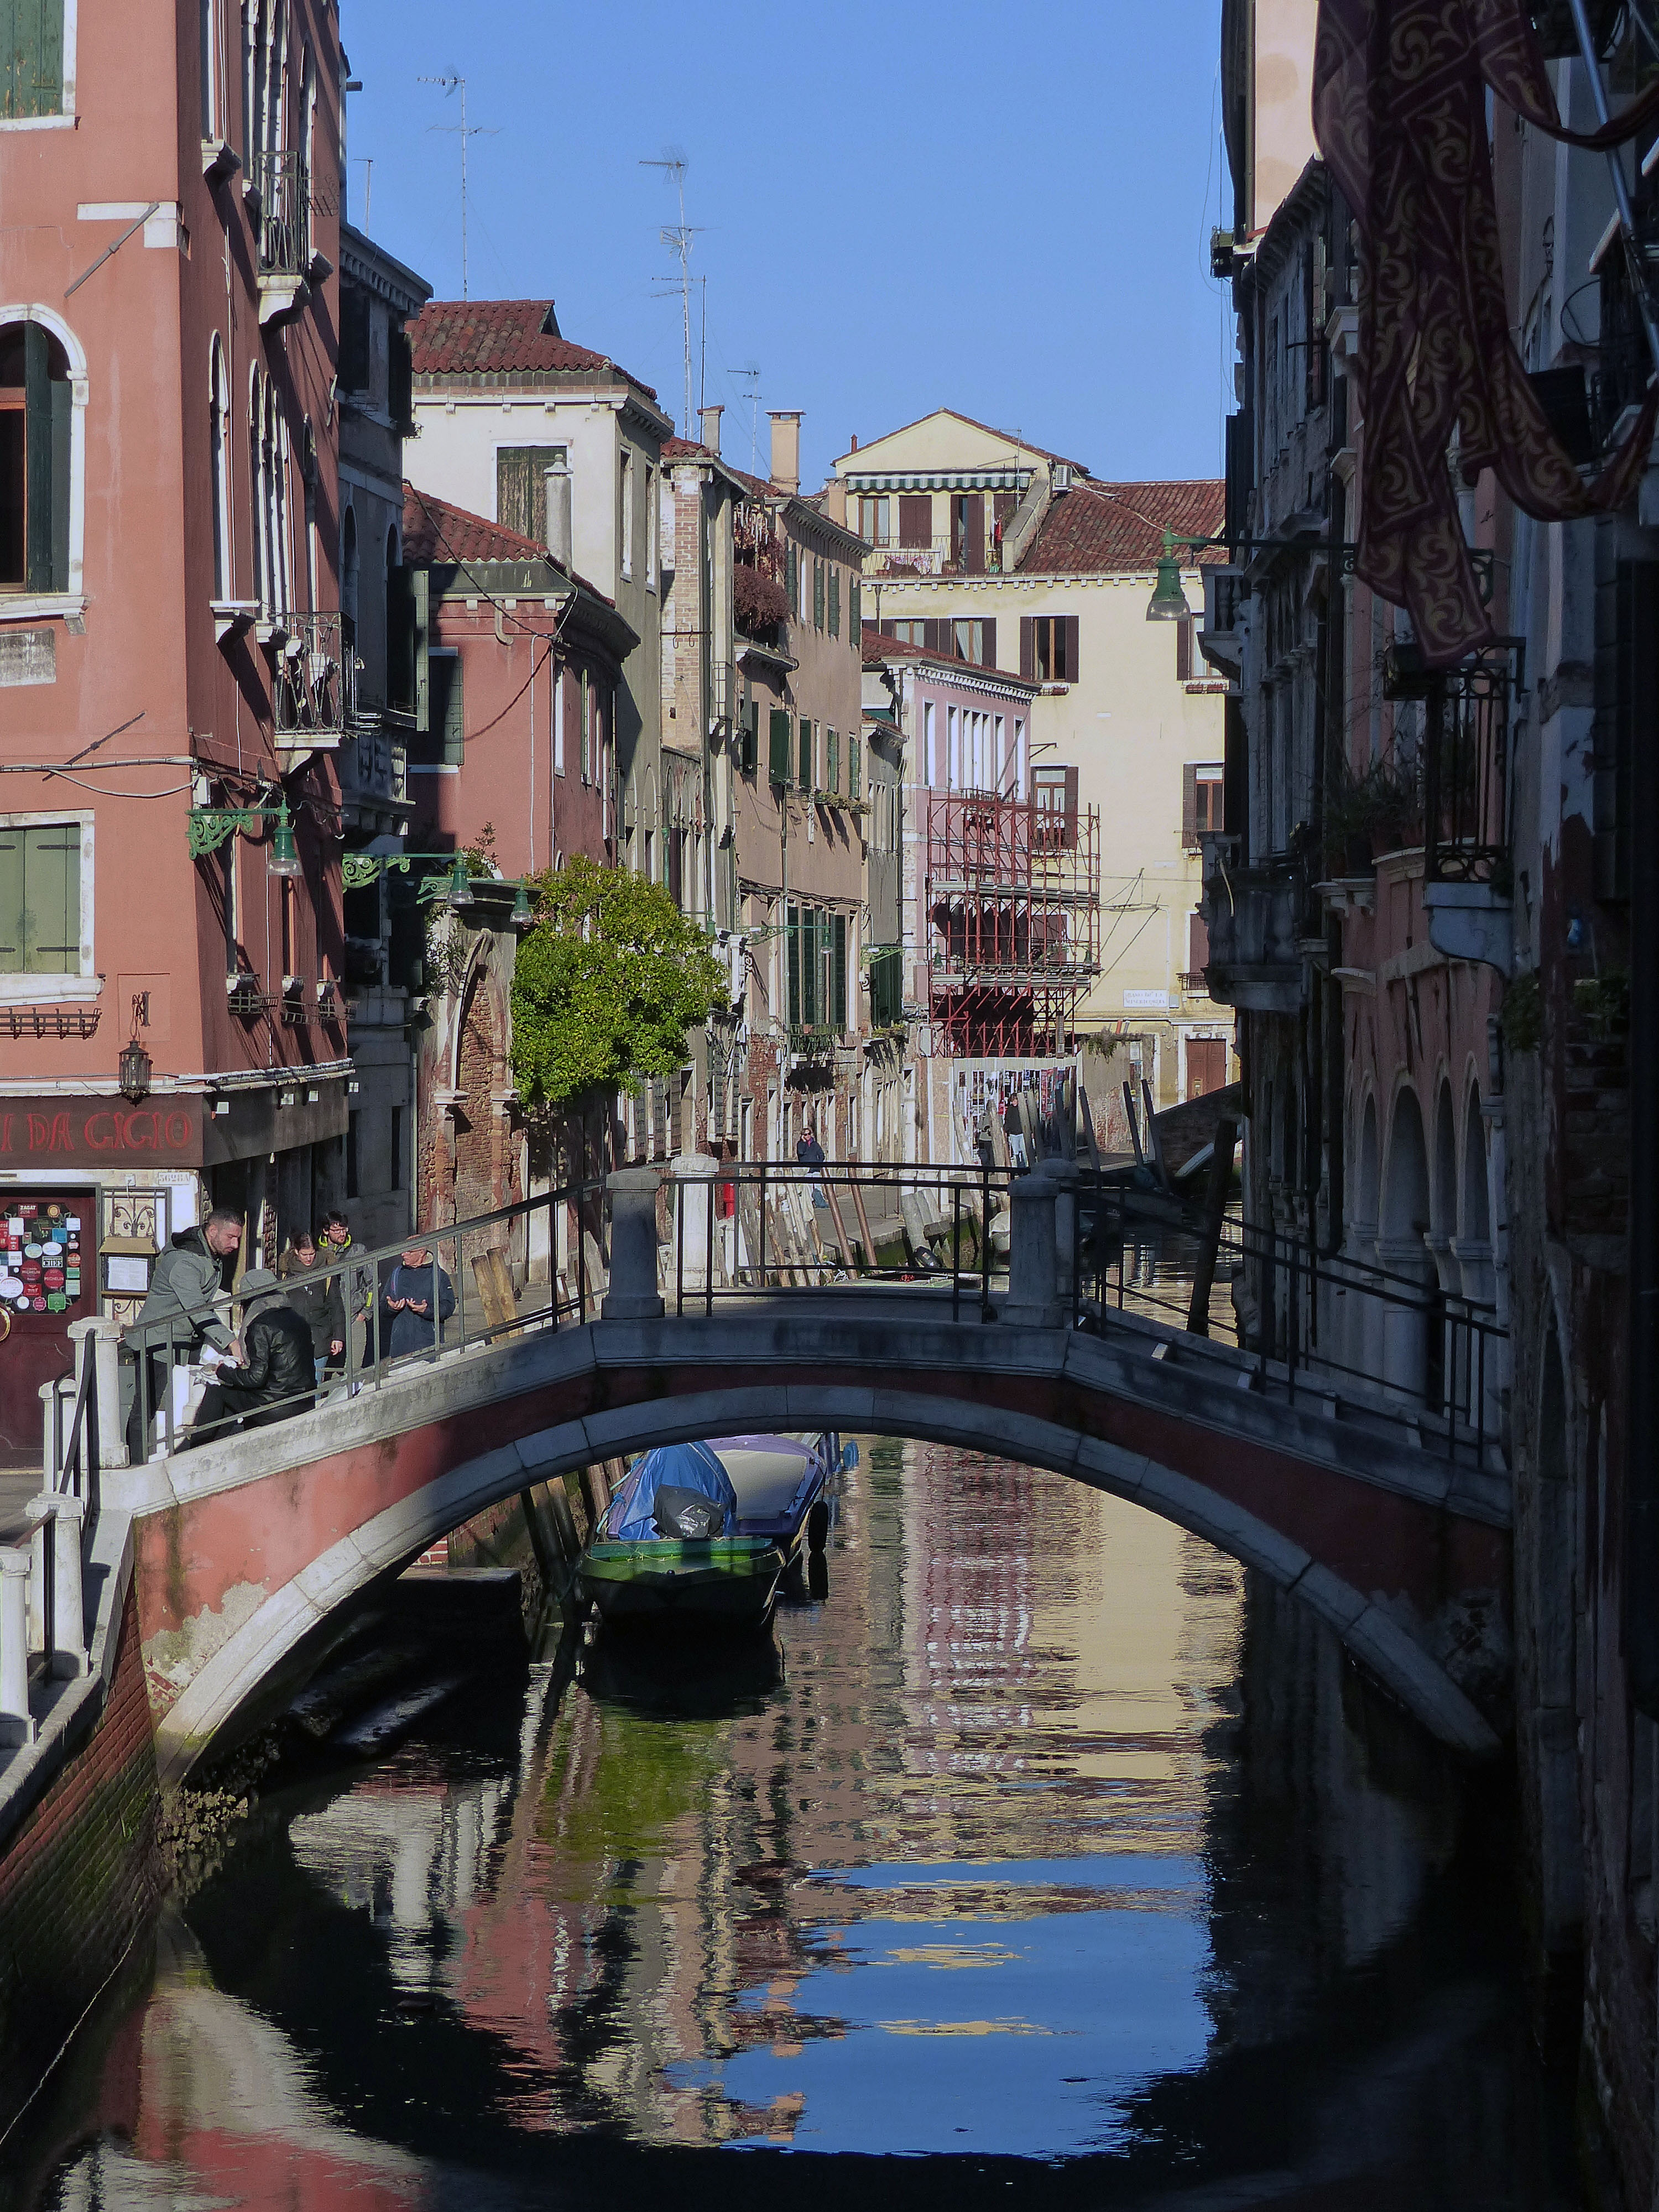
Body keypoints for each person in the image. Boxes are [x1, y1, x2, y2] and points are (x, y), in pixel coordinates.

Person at [123, 1206, 243, 1461]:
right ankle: (135, 1465)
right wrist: (231, 1342)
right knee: (145, 1407)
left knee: (216, 1385)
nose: (235, 1244)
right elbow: (197, 1308)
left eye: (238, 1238)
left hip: (185, 1339)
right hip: (156, 1341)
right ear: (213, 1231)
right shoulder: (184, 1261)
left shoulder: (209, 1255)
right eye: (231, 1237)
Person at [184, 1269, 315, 1446]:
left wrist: (223, 1371)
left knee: (218, 1390)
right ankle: (214, 1444)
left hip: (275, 1406)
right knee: (233, 1395)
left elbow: (255, 1378)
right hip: (303, 1401)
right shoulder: (299, 1320)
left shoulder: (260, 1325)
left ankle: (198, 1446)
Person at [278, 1232, 346, 1384]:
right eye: (305, 1254)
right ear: (296, 1252)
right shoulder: (286, 1274)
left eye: (312, 1254)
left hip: (321, 1337)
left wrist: (338, 1337)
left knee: (315, 1381)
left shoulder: (327, 1272)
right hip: (294, 1339)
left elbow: (336, 1306)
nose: (309, 1258)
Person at [380, 1244, 456, 1359]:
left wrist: (427, 1310)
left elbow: (449, 1307)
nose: (403, 1254)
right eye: (403, 1251)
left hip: (429, 1347)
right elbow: (383, 1307)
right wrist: (391, 1307)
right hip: (400, 1348)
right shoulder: (397, 1274)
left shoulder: (439, 1275)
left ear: (421, 1253)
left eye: (409, 1251)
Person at [795, 1116, 829, 1209]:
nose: (808, 1136)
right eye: (806, 1134)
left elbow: (821, 1154)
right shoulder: (800, 1145)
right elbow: (801, 1153)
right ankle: (810, 1203)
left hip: (816, 1169)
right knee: (808, 1187)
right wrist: (804, 1142)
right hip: (806, 1169)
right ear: (803, 1136)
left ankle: (819, 1202)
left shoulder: (815, 1145)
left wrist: (818, 1163)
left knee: (818, 1186)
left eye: (809, 1134)